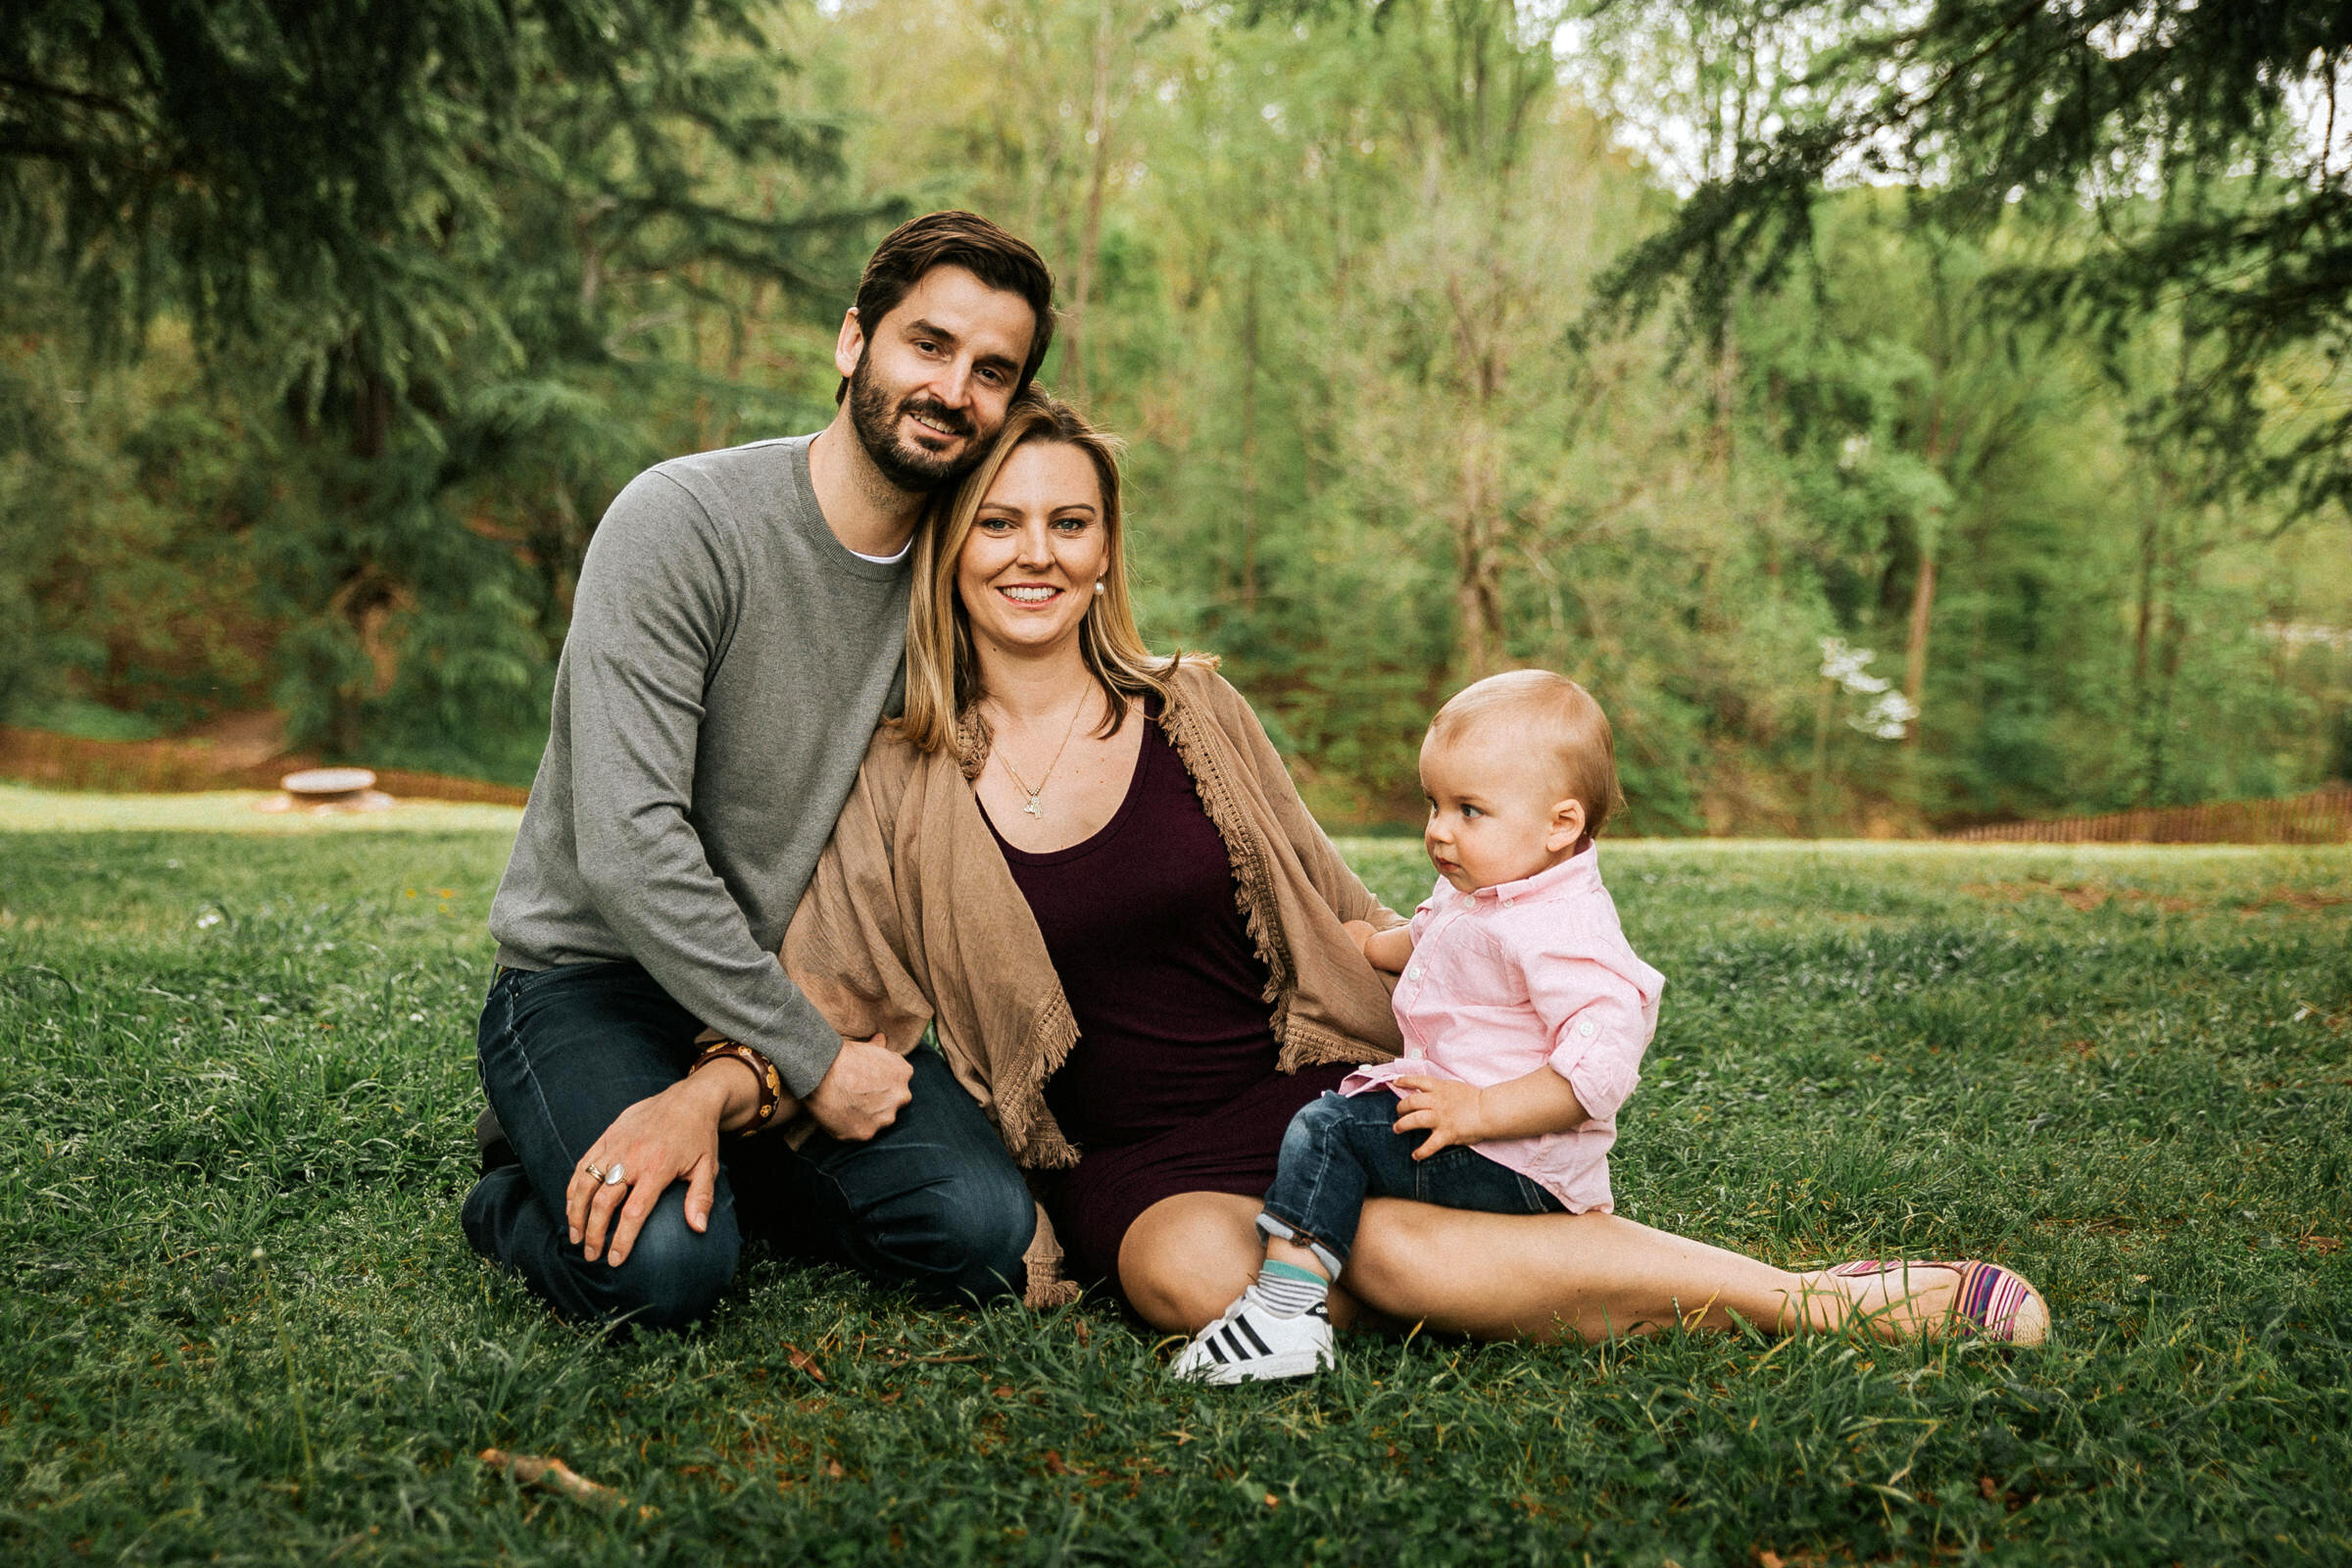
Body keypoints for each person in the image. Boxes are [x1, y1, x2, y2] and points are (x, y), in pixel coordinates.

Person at [782, 389, 2052, 1348]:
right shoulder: (900, 770)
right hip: (1125, 1161)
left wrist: (1490, 1014)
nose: (1035, 553)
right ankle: (1519, 1273)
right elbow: (837, 995)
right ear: (952, 546)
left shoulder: (1190, 711)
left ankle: (1817, 1303)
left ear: (1108, 549)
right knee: (1183, 1280)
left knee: (1383, 1249)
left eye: (1070, 522)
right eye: (999, 523)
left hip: (1309, 1095)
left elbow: (1335, 906)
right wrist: (729, 1087)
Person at [461, 212, 1055, 1331]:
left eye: (992, 371)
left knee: (981, 1233)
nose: (952, 388)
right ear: (852, 343)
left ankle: (727, 1154)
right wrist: (812, 1060)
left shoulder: (961, 584)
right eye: (927, 345)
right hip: (597, 974)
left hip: (817, 977)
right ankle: (511, 1194)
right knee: (661, 1272)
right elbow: (629, 848)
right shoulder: (682, 522)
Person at [1172, 670, 1670, 1381]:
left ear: (1562, 824)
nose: (1438, 830)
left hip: (1515, 1157)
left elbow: (1596, 1072)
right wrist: (1370, 947)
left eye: (1469, 810)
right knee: (1348, 1136)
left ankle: (1283, 1314)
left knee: (1331, 1127)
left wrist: (1481, 1110)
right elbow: (1434, 936)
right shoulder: (1491, 883)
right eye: (1433, 803)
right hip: (1477, 1129)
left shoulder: (1565, 930)